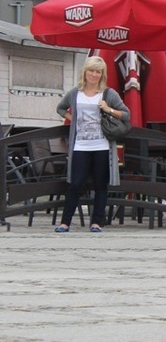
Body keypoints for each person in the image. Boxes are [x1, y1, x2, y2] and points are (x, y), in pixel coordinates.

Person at [55, 56, 131, 233]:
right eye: (91, 70)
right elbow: (60, 108)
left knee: (100, 184)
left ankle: (97, 222)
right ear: (85, 72)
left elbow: (126, 115)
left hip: (102, 145)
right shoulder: (75, 93)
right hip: (80, 145)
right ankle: (65, 222)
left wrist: (108, 109)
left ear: (102, 74)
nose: (94, 74)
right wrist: (73, 119)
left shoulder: (108, 94)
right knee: (76, 183)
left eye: (98, 71)